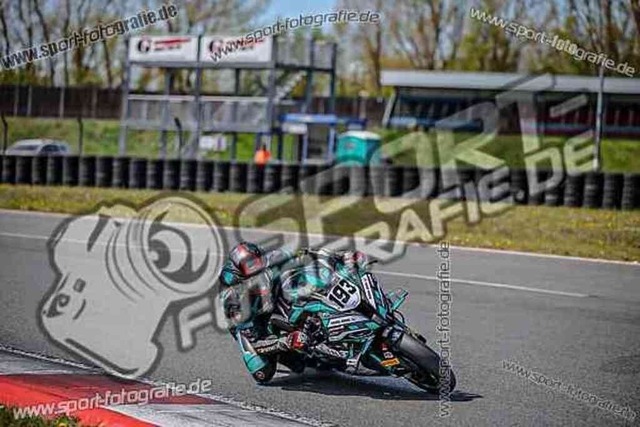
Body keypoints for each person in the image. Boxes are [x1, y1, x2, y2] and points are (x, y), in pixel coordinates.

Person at [219, 241, 370, 383]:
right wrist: (286, 342)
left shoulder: (272, 258)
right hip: (252, 326)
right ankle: (300, 354)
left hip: (274, 298)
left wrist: (341, 256)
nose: (257, 271)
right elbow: (255, 342)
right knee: (263, 372)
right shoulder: (235, 302)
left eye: (258, 265)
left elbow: (306, 252)